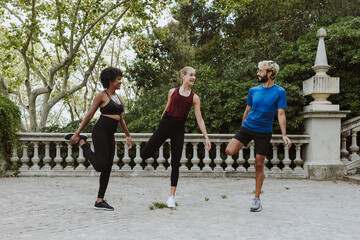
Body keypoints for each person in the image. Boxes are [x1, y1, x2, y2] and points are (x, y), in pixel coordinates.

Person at [225, 60, 292, 212]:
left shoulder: (279, 92)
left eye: (260, 71)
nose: (257, 73)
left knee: (259, 165)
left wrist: (284, 135)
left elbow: (281, 114)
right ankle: (247, 142)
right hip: (248, 128)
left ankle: (256, 199)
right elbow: (247, 111)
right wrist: (242, 130)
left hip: (264, 131)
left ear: (269, 74)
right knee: (229, 151)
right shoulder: (253, 90)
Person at [141, 66, 211, 208]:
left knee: (175, 163)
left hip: (178, 129)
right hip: (165, 125)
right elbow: (166, 109)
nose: (193, 77)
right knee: (144, 154)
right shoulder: (172, 92)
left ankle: (171, 197)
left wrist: (206, 137)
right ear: (183, 76)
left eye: (194, 75)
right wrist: (159, 130)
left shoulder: (194, 98)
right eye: (191, 75)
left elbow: (200, 119)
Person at [65, 67, 132, 211]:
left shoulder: (118, 98)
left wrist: (128, 135)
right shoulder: (101, 96)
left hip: (110, 134)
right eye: (118, 79)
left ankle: (99, 201)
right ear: (110, 80)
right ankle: (82, 142)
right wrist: (77, 134)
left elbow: (121, 119)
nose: (120, 81)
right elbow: (89, 115)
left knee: (107, 168)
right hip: (100, 131)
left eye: (121, 78)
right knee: (100, 166)